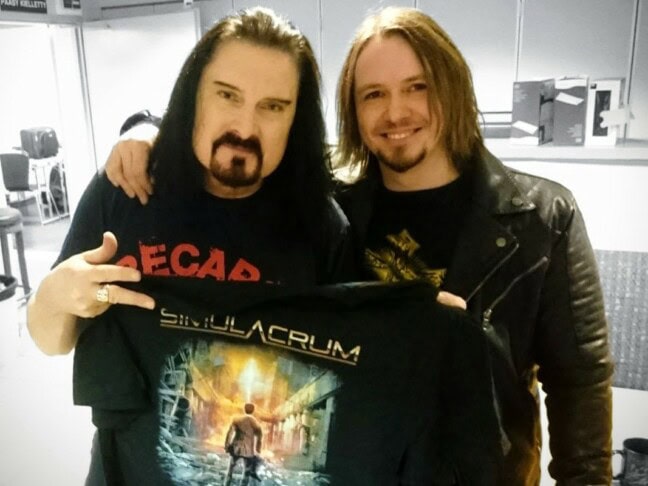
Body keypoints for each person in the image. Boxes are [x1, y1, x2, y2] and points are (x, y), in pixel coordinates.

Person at [105, 6, 614, 485]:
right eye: (373, 94)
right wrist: (145, 129)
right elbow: (238, 130)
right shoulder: (329, 209)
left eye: (418, 87)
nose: (396, 112)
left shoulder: (541, 216)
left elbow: (580, 381)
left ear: (453, 88)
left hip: (486, 474)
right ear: (352, 110)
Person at [26, 7, 352, 483]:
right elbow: (48, 338)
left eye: (273, 106)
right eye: (227, 95)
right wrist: (58, 296)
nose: (245, 127)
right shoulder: (126, 189)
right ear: (193, 95)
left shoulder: (321, 227)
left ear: (295, 120)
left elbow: (353, 378)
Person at [224, 403, 263, 486]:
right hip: (248, 450)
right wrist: (258, 449)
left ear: (244, 409)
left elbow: (230, 433)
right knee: (246, 473)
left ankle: (226, 484)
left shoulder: (237, 419)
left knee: (230, 469)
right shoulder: (255, 422)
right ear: (253, 411)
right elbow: (259, 436)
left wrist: (227, 445)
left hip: (236, 447)